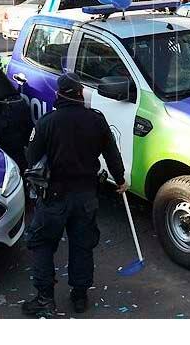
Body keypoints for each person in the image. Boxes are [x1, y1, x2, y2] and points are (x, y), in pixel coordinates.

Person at [23, 73, 127, 317]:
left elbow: (32, 158)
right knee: (82, 245)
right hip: (86, 196)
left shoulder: (47, 122)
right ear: (80, 94)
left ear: (59, 95)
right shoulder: (95, 120)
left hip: (54, 197)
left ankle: (45, 299)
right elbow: (111, 152)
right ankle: (80, 295)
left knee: (42, 243)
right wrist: (120, 179)